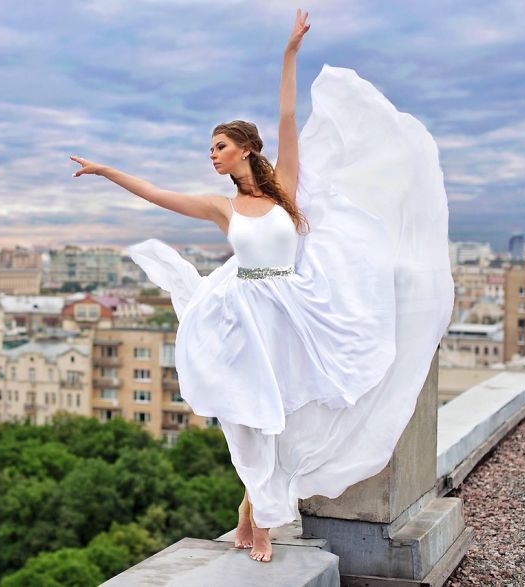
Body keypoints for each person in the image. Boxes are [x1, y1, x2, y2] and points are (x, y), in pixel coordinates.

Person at [70, 8, 454, 565]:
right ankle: (261, 518)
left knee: (288, 419)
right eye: (210, 149)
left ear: (245, 149)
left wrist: (289, 53)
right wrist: (106, 170)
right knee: (253, 418)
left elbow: (287, 115)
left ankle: (253, 511)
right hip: (243, 315)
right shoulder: (221, 207)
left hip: (293, 311)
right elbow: (155, 194)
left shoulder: (285, 192)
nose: (212, 155)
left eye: (219, 146)